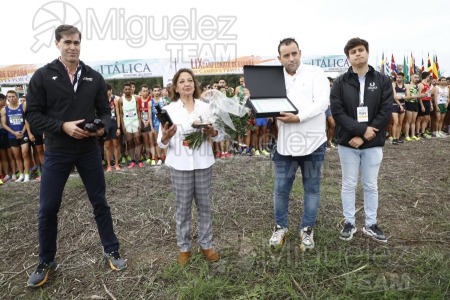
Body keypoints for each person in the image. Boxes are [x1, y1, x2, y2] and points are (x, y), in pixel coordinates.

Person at [25, 25, 127, 287]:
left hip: (87, 151)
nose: (73, 47)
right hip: (57, 150)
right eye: (67, 42)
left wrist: (103, 128)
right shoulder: (43, 76)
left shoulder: (93, 76)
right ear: (57, 44)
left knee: (100, 202)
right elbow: (33, 115)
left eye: (77, 42)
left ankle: (111, 250)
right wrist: (62, 126)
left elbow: (106, 112)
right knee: (48, 208)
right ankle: (46, 260)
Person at [268, 38, 329, 251]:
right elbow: (269, 105)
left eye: (294, 53)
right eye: (286, 55)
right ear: (280, 58)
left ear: (300, 53)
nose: (291, 58)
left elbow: (322, 103)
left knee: (311, 189)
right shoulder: (273, 79)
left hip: (313, 144)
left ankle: (307, 230)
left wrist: (298, 117)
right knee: (281, 189)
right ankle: (280, 227)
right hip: (285, 145)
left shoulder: (315, 73)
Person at [158, 68, 223, 266]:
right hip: (180, 164)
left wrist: (212, 132)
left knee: (204, 207)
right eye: (182, 81)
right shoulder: (169, 110)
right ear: (176, 88)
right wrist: (166, 137)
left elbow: (219, 135)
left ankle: (206, 244)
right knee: (183, 208)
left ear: (194, 85)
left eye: (190, 81)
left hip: (203, 163)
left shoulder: (206, 107)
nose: (187, 84)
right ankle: (184, 248)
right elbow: (160, 143)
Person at [330, 37, 392, 243]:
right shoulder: (340, 82)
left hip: (373, 142)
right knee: (348, 183)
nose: (357, 54)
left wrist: (365, 135)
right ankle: (349, 222)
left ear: (367, 52)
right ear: (348, 58)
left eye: (360, 50)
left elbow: (385, 111)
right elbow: (338, 112)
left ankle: (371, 224)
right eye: (353, 52)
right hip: (348, 143)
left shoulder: (382, 80)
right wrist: (358, 132)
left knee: (370, 185)